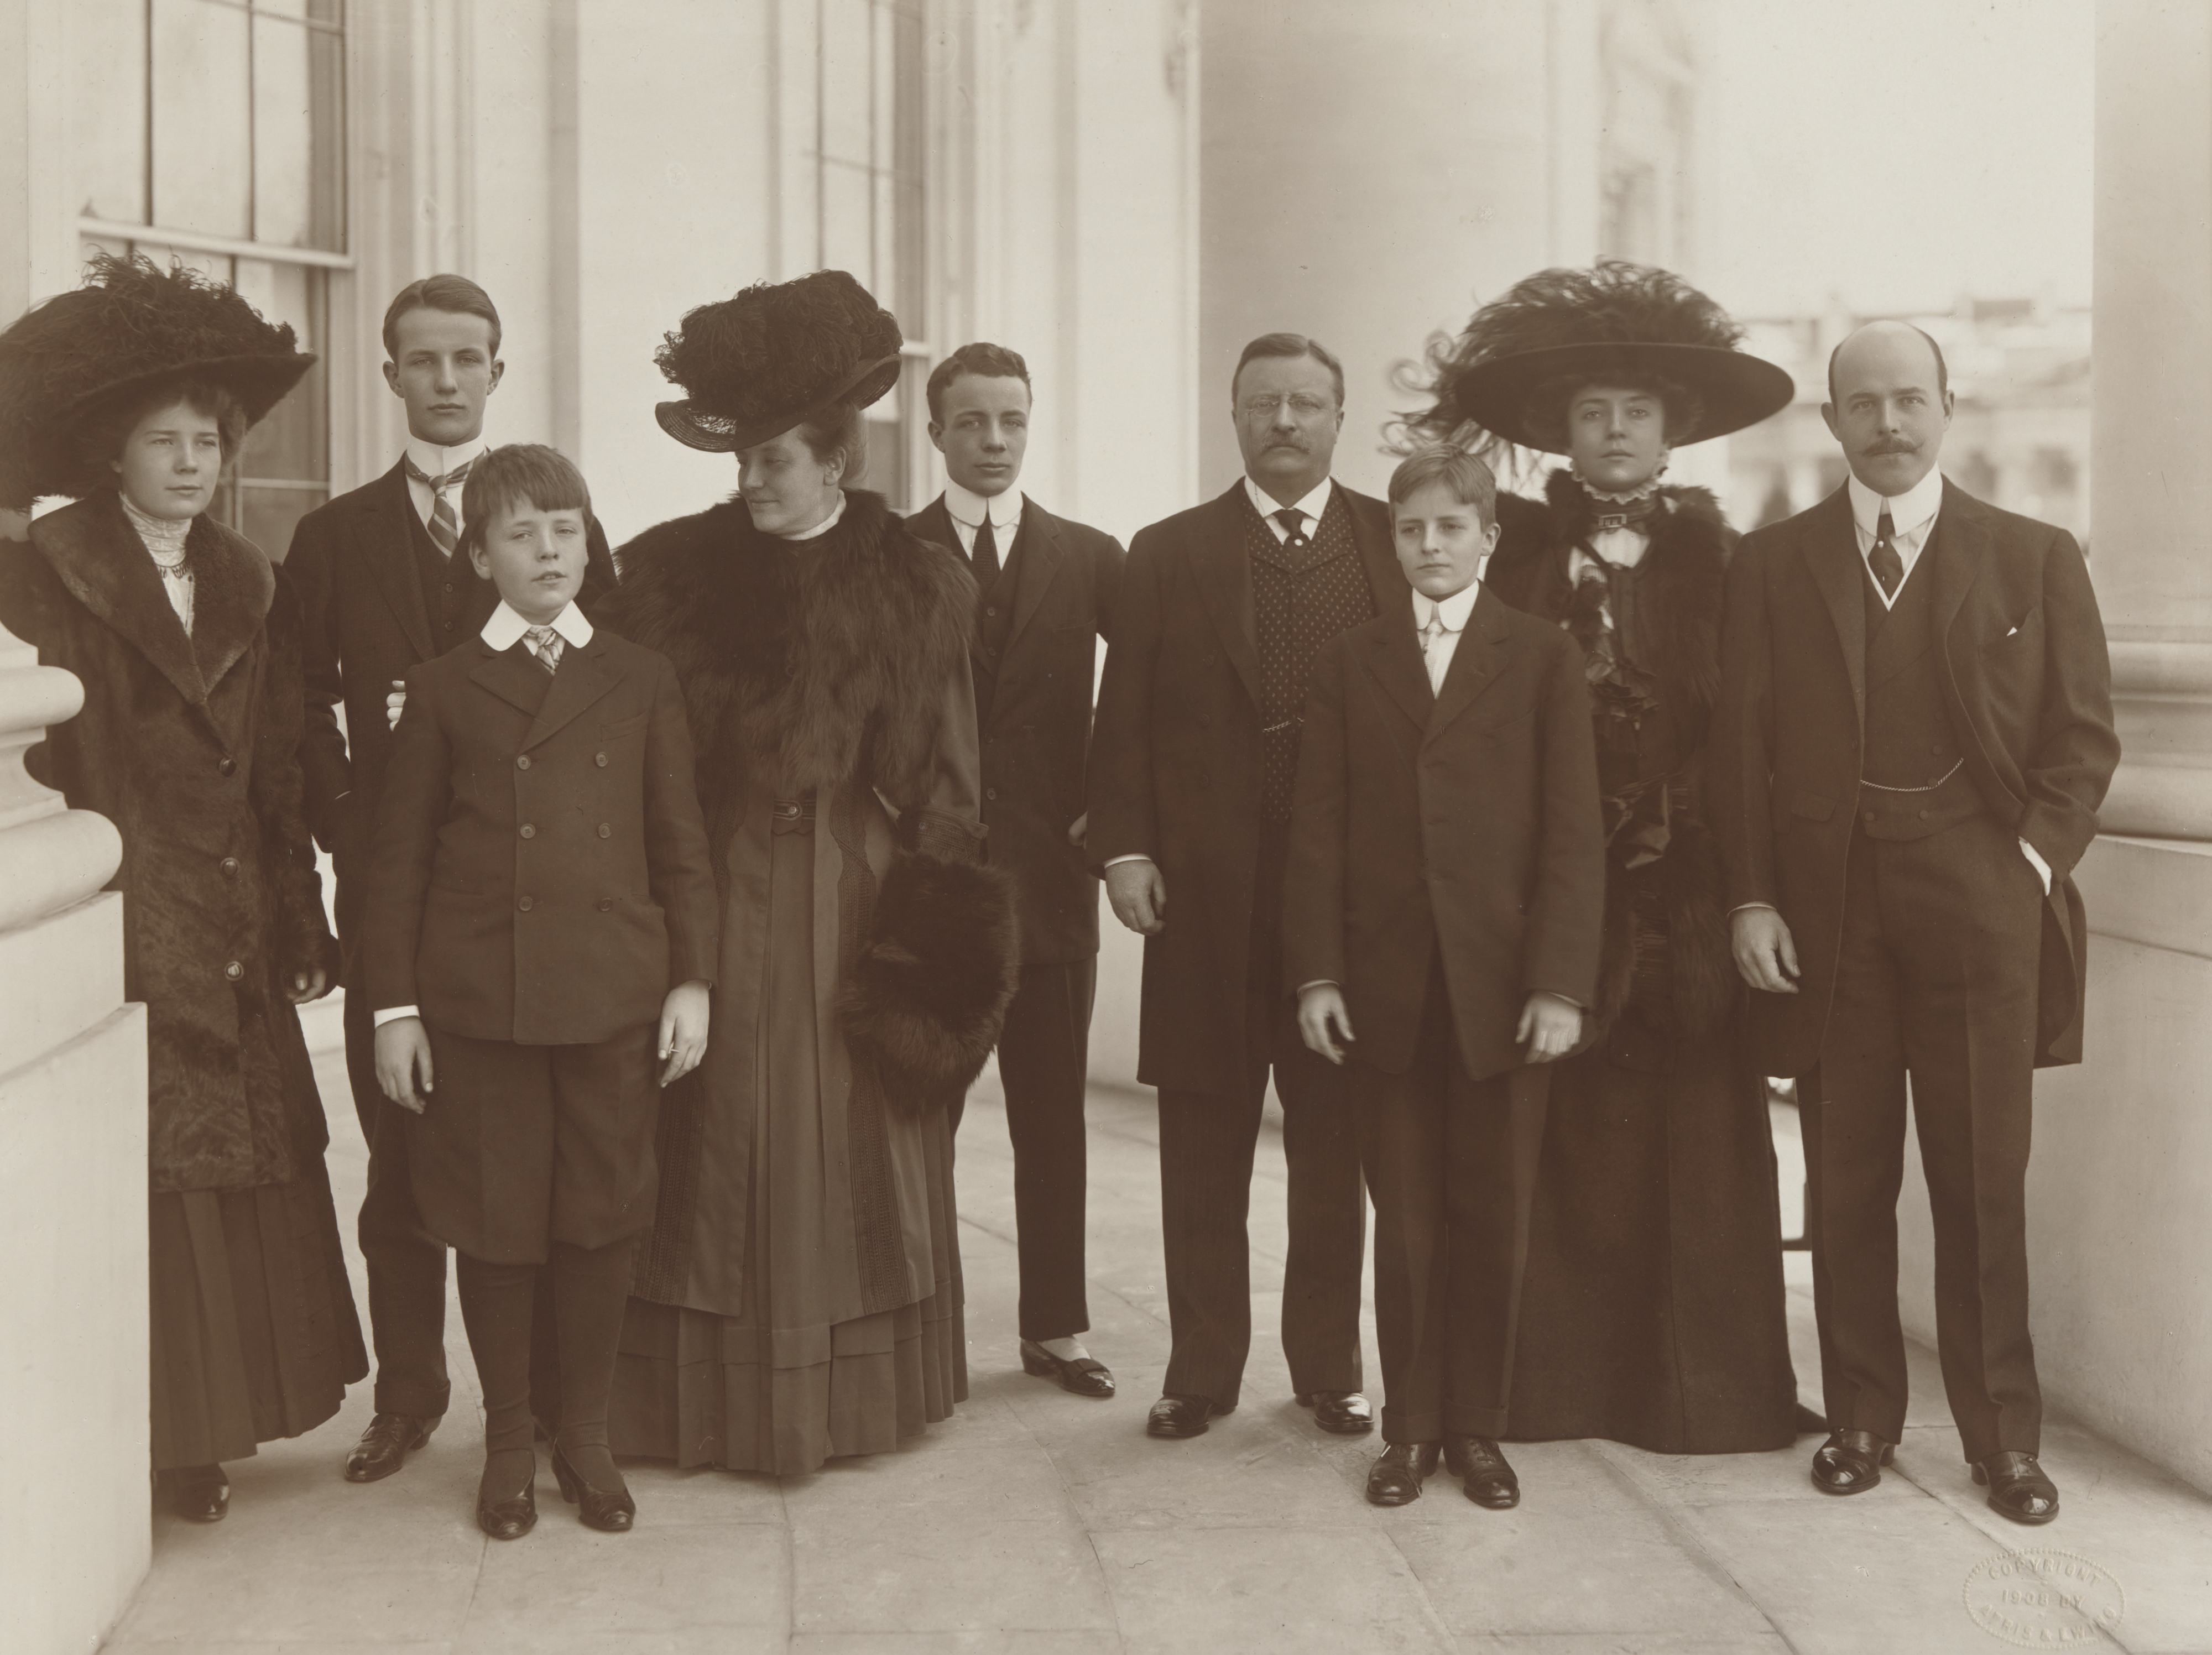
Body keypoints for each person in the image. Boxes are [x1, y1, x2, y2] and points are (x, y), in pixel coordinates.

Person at [601, 270, 1018, 1475]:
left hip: (854, 895)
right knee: (711, 1123)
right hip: (711, 888)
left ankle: (844, 1402)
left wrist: (923, 967)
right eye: (741, 461)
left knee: (847, 1123)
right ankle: (694, 1403)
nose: (749, 482)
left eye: (774, 460)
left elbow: (950, 783)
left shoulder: (913, 580)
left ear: (834, 459)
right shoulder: (671, 575)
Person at [1710, 320, 2119, 1524]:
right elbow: (1734, 748)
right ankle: (1857, 1421)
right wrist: (1748, 896)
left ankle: (2003, 1441)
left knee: (1982, 1179)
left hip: (1977, 908)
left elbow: (2082, 739)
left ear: (1948, 408)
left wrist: (2027, 869)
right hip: (1826, 915)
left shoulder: (2032, 555)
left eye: (1908, 400)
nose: (1886, 425)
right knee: (1841, 1177)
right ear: (1828, 421)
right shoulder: (1771, 564)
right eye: (1861, 405)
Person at [1404, 259, 1807, 1454]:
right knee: (1557, 1139)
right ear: (1558, 435)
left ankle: (1704, 1396)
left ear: (1672, 429)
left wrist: (1742, 891)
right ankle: (1553, 1391)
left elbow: (1751, 744)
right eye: (1592, 412)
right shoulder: (1515, 561)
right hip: (1553, 900)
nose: (1616, 431)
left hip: (1689, 902)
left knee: (1696, 1140)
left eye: (1636, 410)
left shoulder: (1730, 569)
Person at [0, 254, 364, 1521]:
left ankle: (232, 1417)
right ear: (114, 453)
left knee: (237, 1165)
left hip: (235, 920)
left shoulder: (251, 581)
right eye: (165, 441)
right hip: (116, 918)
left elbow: (275, 769)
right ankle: (163, 1442)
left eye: (208, 440)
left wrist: (304, 911)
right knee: (143, 1176)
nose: (192, 462)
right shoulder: (43, 575)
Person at [286, 276, 619, 1484]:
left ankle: (526, 1418)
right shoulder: (331, 539)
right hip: (393, 887)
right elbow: (298, 701)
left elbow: (603, 681)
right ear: (388, 377)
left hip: (526, 903)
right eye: (421, 359)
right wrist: (342, 815)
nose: (445, 378)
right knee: (402, 1153)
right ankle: (411, 1396)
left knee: (534, 1160)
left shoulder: (552, 513)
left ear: (495, 370)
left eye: (467, 357)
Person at [362, 444, 718, 1538]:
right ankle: (509, 1441)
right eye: (521, 532)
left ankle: (589, 1440)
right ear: (480, 556)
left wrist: (692, 981)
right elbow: (397, 864)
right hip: (481, 1006)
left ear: (587, 538)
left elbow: (680, 846)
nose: (549, 548)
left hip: (613, 995)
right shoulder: (439, 689)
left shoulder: (639, 675)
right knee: (498, 1225)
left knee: (603, 1221)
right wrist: (394, 1010)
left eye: (565, 526)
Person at [1088, 333, 1401, 1440]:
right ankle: (1200, 1371)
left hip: (1345, 903)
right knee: (1201, 1145)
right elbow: (1117, 716)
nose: (1283, 421)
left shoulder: (1385, 541)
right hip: (1207, 901)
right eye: (1262, 403)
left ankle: (1328, 1366)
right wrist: (1123, 852)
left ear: (1337, 417)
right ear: (1232, 418)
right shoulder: (1166, 553)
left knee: (1333, 1145)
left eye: (1305, 404)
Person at [1285, 447, 1604, 1508]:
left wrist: (1560, 982)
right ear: (1393, 539)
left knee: (1493, 1209)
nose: (1430, 547)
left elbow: (1572, 834)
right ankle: (1409, 1429)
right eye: (1412, 530)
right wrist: (1318, 974)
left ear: (1489, 539)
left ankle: (1479, 1426)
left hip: (1505, 989)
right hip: (1386, 987)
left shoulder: (1545, 656)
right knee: (1406, 1212)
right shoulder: (1349, 660)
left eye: (1450, 529)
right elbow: (1317, 831)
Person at [907, 342, 1126, 1399]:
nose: (993, 443)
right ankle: (919, 1331)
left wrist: (1109, 811)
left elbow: (1142, 700)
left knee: (1053, 1119)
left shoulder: (1089, 556)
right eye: (972, 423)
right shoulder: (891, 554)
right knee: (918, 1123)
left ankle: (1058, 1328)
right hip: (929, 892)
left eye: (1012, 422)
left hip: (1050, 885)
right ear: (934, 429)